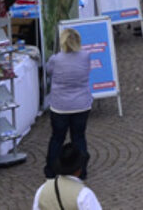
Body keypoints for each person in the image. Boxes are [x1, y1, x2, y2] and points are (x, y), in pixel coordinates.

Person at [43, 28, 93, 180]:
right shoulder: (86, 56)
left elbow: (48, 71)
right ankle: (81, 170)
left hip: (60, 106)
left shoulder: (56, 59)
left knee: (57, 138)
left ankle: (51, 170)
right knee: (79, 137)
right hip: (81, 104)